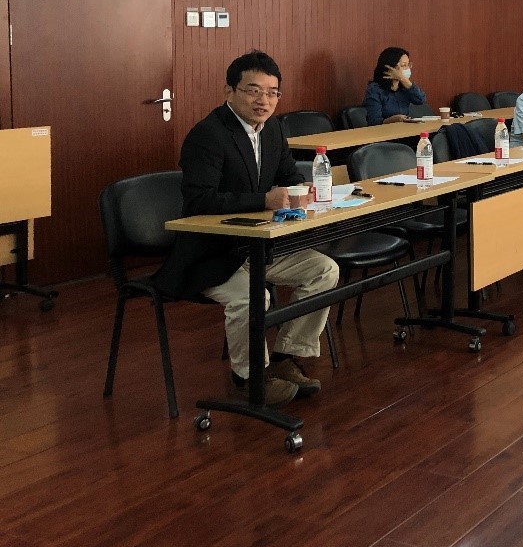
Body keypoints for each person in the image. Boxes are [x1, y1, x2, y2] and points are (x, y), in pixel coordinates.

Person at [154, 51, 340, 407]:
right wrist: (264, 200)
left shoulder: (273, 130)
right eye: (253, 90)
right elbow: (199, 200)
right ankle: (249, 378)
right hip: (211, 253)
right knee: (252, 296)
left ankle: (285, 358)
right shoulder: (208, 135)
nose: (263, 100)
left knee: (324, 270)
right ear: (230, 91)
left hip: (257, 247)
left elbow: (289, 174)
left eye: (272, 92)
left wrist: (302, 189)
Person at [362, 46, 427, 125]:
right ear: (390, 67)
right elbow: (373, 121)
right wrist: (392, 120)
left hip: (404, 129)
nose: (408, 68)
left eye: (408, 64)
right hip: (384, 131)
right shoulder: (375, 89)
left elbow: (421, 100)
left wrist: (403, 79)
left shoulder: (404, 87)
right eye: (404, 65)